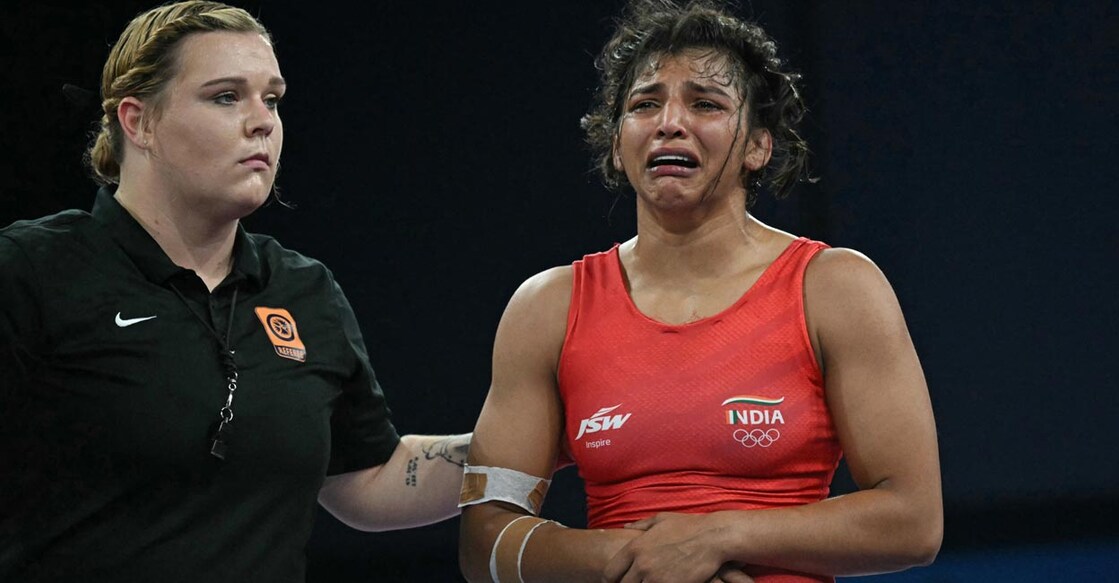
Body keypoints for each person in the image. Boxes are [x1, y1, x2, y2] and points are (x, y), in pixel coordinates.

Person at [458, 1, 942, 582]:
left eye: (705, 103)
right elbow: (484, 542)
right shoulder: (546, 308)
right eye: (645, 104)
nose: (669, 122)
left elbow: (913, 521)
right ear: (617, 145)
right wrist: (638, 561)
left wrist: (717, 537)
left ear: (758, 146)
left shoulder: (836, 288)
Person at [0, 2, 468, 581]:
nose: (262, 122)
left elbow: (369, 477)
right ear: (139, 122)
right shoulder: (31, 270)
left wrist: (544, 438)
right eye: (226, 97)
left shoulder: (303, 288)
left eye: (272, 99)